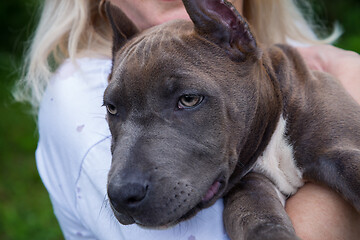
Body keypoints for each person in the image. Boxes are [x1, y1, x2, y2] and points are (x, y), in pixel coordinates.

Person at [14, 0, 360, 239]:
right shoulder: (79, 90)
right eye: (114, 110)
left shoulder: (268, 57)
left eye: (188, 99)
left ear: (231, 28)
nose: (120, 185)